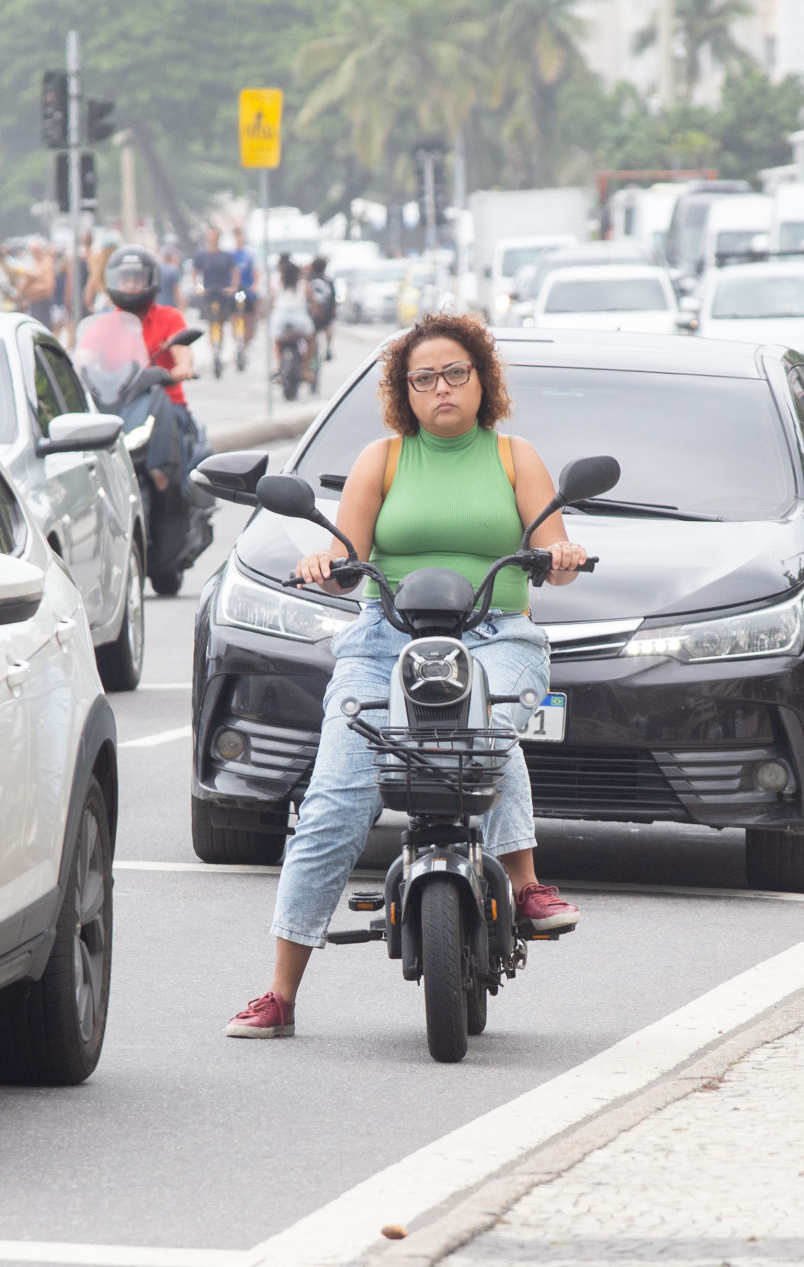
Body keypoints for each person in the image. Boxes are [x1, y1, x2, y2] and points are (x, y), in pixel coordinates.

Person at [225, 312, 586, 1040]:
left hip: (494, 633)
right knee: (331, 797)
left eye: (456, 372)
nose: (442, 388)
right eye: (425, 378)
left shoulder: (517, 458)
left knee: (484, 729)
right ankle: (280, 992)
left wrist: (564, 554)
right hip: (385, 639)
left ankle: (526, 885)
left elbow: (553, 545)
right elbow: (346, 550)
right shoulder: (382, 460)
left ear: (483, 381)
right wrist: (322, 562)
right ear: (404, 392)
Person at [103, 245, 201, 493]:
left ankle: (170, 488)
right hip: (120, 405)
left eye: (137, 279)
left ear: (150, 280)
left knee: (173, 433)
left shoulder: (169, 317)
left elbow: (181, 349)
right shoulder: (105, 323)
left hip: (166, 402)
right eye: (125, 279)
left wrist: (182, 368)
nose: (131, 285)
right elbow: (84, 357)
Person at [191, 228, 239, 379]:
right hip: (208, 292)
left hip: (223, 292)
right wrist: (198, 288)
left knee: (221, 322)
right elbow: (194, 273)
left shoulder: (226, 256)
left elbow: (234, 272)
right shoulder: (201, 256)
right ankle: (213, 349)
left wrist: (233, 288)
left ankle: (220, 347)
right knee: (211, 323)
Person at [270, 254, 316, 390]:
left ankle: (278, 366)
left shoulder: (277, 284)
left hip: (280, 316)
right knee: (310, 339)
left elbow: (271, 300)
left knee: (277, 341)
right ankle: (306, 370)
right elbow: (313, 300)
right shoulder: (303, 284)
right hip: (299, 317)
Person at [229, 225, 258, 373]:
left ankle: (246, 344)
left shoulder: (249, 253)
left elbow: (256, 272)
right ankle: (238, 342)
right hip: (235, 290)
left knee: (249, 318)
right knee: (235, 316)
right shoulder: (230, 254)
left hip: (247, 291)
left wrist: (255, 285)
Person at [306, 255, 338, 362]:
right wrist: (333, 311)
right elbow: (333, 298)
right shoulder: (328, 281)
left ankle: (311, 352)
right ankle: (328, 347)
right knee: (329, 328)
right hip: (326, 313)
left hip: (311, 314)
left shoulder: (308, 280)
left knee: (311, 335)